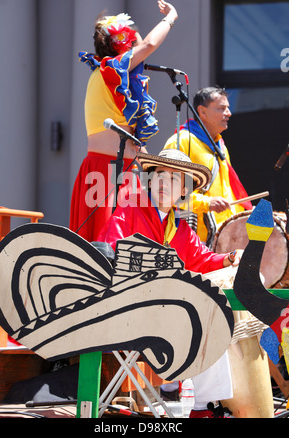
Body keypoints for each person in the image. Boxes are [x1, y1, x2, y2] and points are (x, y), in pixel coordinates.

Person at [98, 148, 242, 418]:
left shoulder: (181, 228)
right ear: (150, 180)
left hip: (162, 316)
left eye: (176, 179)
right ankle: (200, 405)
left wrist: (230, 258)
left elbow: (202, 259)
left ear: (184, 190)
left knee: (213, 321)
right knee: (200, 317)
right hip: (126, 313)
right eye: (160, 175)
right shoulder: (129, 209)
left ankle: (205, 408)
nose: (165, 182)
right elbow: (111, 253)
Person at [69, 0, 178, 243]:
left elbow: (133, 143)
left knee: (130, 248)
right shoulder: (111, 70)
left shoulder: (116, 78)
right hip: (106, 172)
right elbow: (149, 43)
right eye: (132, 36)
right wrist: (170, 17)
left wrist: (162, 167)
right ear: (124, 44)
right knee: (105, 250)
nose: (137, 39)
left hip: (126, 172)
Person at [164, 87, 252, 247]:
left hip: (221, 237)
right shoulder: (182, 141)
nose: (229, 113)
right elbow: (166, 191)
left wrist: (243, 214)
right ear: (202, 112)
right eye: (221, 108)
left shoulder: (221, 147)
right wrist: (207, 202)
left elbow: (228, 192)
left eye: (228, 108)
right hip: (192, 239)